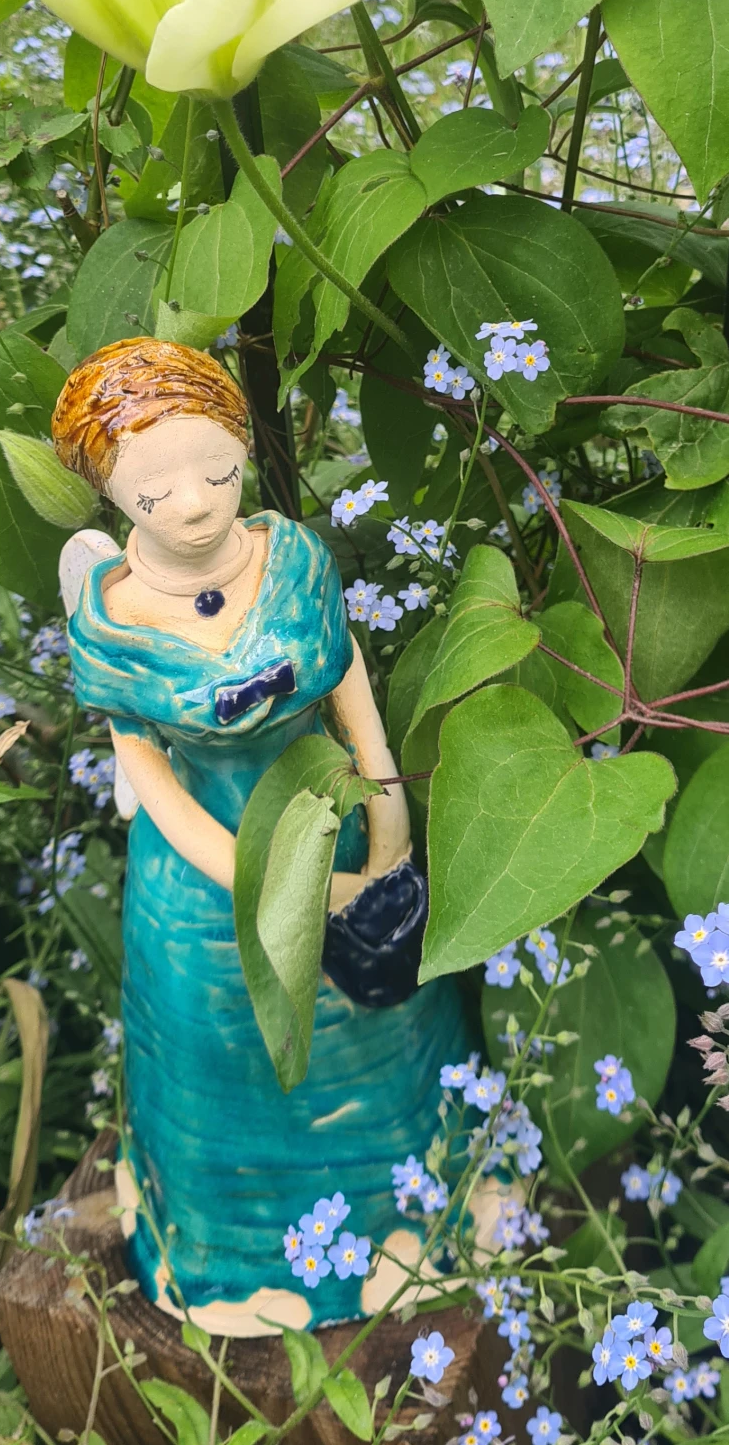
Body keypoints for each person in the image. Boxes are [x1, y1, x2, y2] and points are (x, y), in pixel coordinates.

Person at [52, 337, 472, 1334]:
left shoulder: (289, 561)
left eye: (216, 468)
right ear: (108, 491)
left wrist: (387, 806)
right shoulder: (116, 622)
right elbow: (152, 781)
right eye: (152, 489)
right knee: (222, 1059)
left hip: (333, 824)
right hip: (206, 885)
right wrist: (270, 889)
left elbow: (346, 672)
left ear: (245, 448)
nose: (194, 502)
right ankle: (232, 1260)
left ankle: (414, 1219)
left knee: (380, 1034)